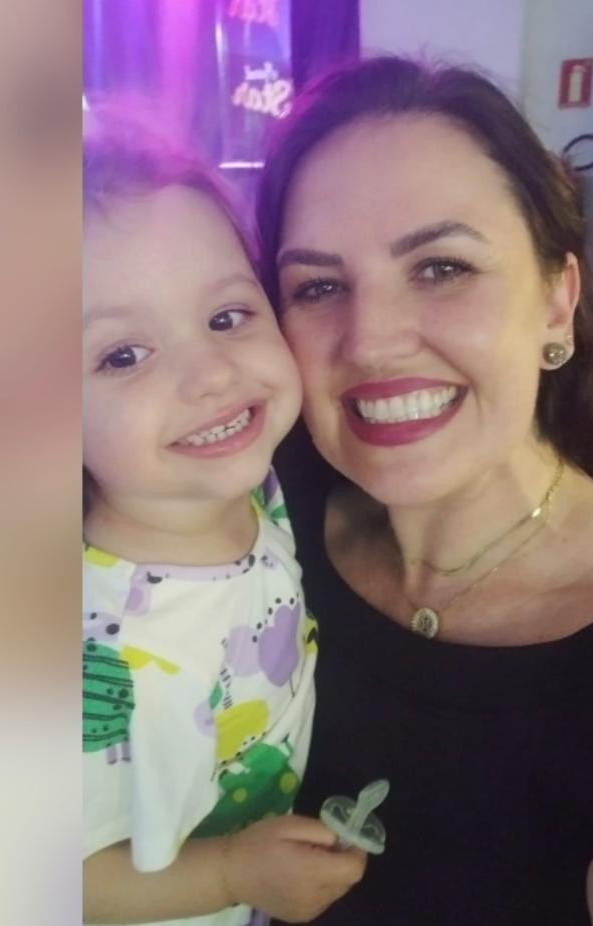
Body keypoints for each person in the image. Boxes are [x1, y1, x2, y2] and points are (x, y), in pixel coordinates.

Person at [255, 57, 593, 924]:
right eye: (318, 287)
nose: (371, 341)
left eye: (442, 268)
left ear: (557, 302)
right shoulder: (257, 518)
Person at [80, 125, 365, 925]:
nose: (211, 374)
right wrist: (232, 873)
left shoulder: (264, 489)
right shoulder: (84, 649)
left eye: (229, 315)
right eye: (123, 356)